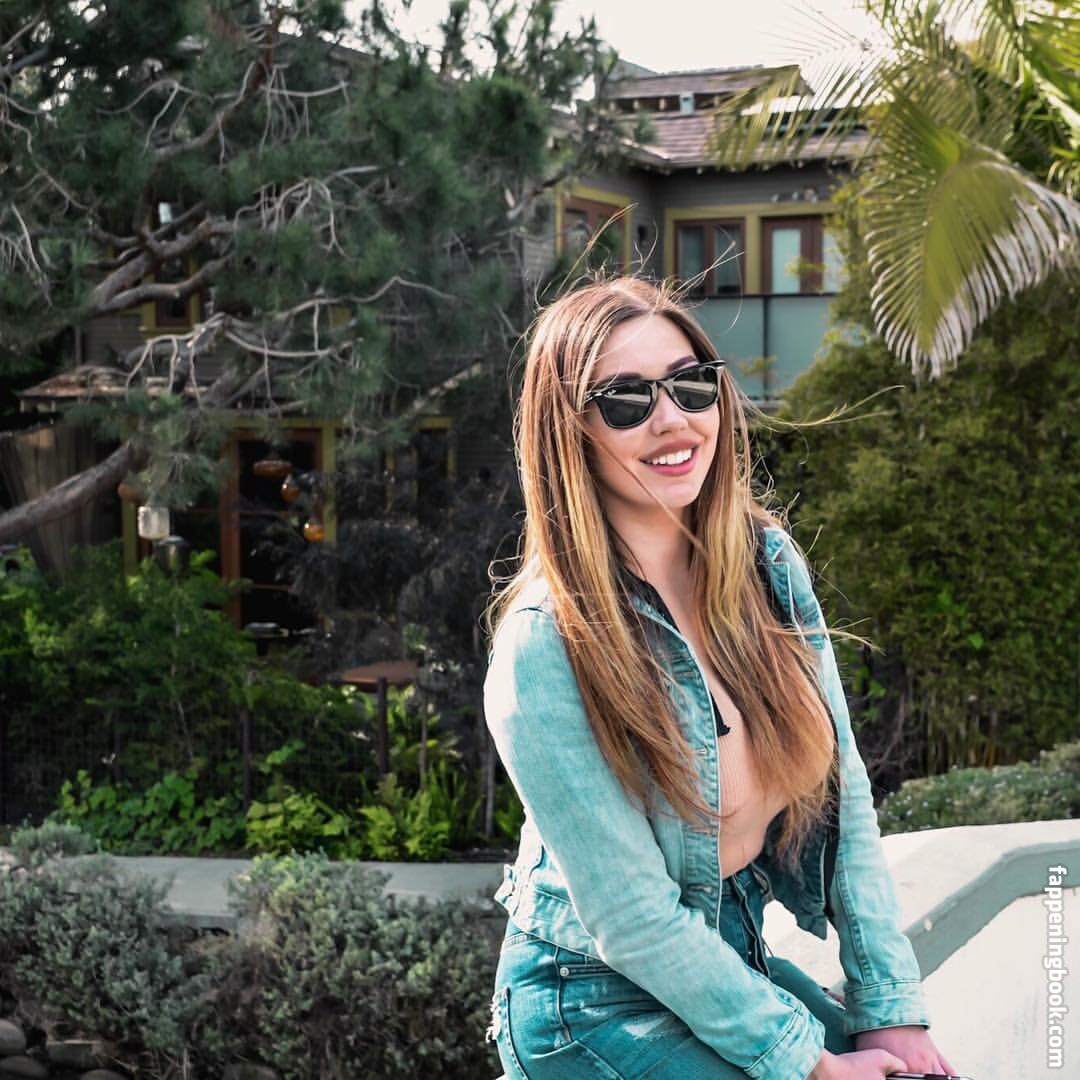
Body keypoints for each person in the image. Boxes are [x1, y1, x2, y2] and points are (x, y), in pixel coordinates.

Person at [482, 277, 960, 1080]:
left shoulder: (764, 567)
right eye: (626, 400)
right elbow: (632, 920)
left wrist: (891, 1011)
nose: (672, 418)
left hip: (726, 958)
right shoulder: (547, 644)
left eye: (691, 383)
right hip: (588, 1003)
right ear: (570, 432)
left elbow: (843, 796)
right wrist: (813, 1064)